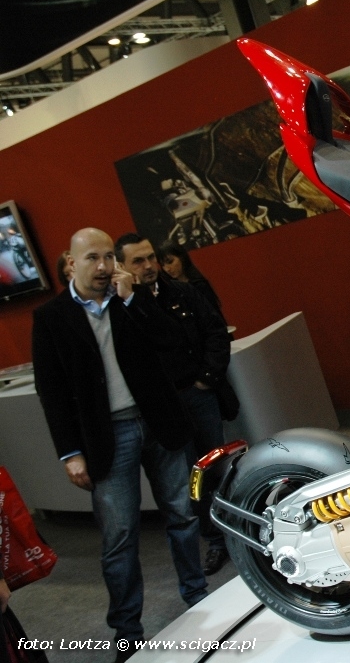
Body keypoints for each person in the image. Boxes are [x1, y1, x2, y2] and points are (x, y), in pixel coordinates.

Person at [31, 228, 207, 658]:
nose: (103, 266)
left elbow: (173, 341)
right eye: (93, 257)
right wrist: (70, 452)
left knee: (182, 515)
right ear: (71, 264)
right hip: (107, 435)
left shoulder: (132, 300)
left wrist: (133, 301)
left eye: (109, 256)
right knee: (120, 535)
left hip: (158, 423)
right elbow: (51, 391)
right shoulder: (51, 317)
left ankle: (198, 597)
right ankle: (127, 630)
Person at [116, 234, 237, 576]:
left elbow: (216, 332)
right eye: (138, 261)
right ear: (121, 267)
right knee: (189, 481)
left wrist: (206, 378)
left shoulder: (183, 292)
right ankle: (215, 540)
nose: (149, 266)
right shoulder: (120, 308)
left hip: (197, 392)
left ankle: (238, 530)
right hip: (163, 408)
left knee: (218, 467)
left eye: (150, 257)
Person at [157, 242, 223, 316]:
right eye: (162, 265)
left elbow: (214, 315)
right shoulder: (170, 290)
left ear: (182, 257)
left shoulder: (199, 285)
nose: (167, 269)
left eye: (170, 262)